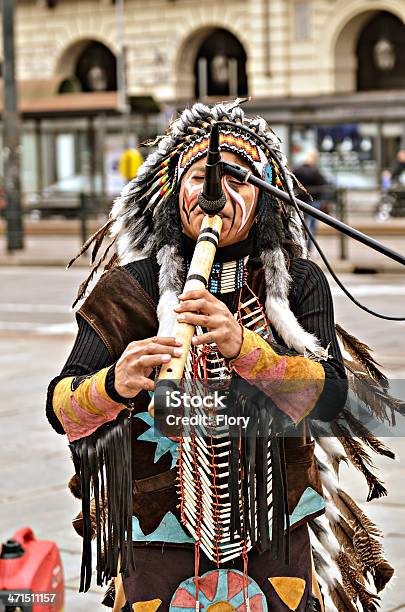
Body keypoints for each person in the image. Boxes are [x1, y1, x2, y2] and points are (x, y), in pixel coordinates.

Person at [46, 101, 394, 611]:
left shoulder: (297, 283)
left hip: (276, 525)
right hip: (157, 530)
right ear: (170, 194)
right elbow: (58, 408)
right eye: (199, 179)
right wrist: (113, 384)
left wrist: (247, 348)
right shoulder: (128, 289)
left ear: (265, 200)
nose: (215, 195)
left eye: (237, 179)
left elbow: (333, 401)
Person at [293, 150, 330, 252]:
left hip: (300, 201)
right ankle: (308, 247)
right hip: (313, 202)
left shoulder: (297, 170)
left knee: (300, 224)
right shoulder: (316, 171)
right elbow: (324, 185)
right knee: (311, 227)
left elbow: (292, 183)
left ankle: (301, 245)